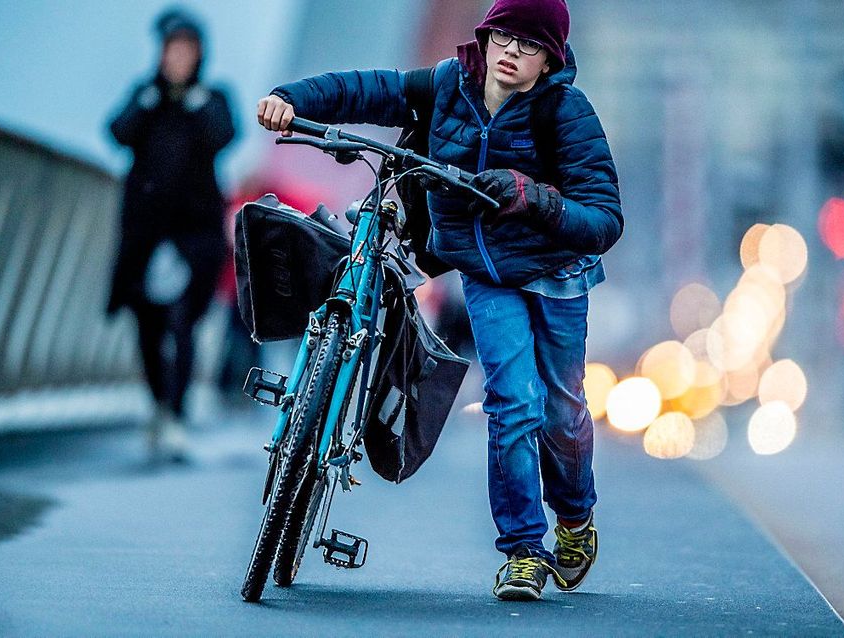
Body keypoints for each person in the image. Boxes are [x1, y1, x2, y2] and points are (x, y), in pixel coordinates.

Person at [258, 0, 621, 600]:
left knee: (561, 413)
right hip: (485, 273)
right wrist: (289, 97)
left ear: (550, 57)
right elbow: (369, 90)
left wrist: (533, 197)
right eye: (502, 35)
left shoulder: (566, 111)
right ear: (486, 36)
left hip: (555, 274)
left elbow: (605, 218)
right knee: (512, 404)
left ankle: (577, 518)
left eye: (528, 45)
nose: (511, 52)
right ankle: (524, 553)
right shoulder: (450, 84)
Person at [107, 8, 235, 461]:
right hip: (144, 232)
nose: (177, 58)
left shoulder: (213, 98)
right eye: (171, 50)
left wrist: (194, 102)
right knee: (146, 322)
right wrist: (149, 99)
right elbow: (118, 132)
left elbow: (225, 135)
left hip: (195, 234)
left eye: (186, 50)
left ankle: (176, 415)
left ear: (199, 55)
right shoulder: (145, 97)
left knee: (183, 322)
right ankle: (159, 406)